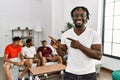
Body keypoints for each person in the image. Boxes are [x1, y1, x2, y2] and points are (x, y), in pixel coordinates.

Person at [49, 6, 102, 80]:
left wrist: (80, 46)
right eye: (76, 15)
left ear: (87, 18)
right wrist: (58, 48)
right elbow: (62, 54)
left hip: (88, 74)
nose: (79, 18)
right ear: (72, 18)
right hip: (70, 74)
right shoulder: (66, 34)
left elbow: (98, 56)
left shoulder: (94, 34)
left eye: (82, 15)